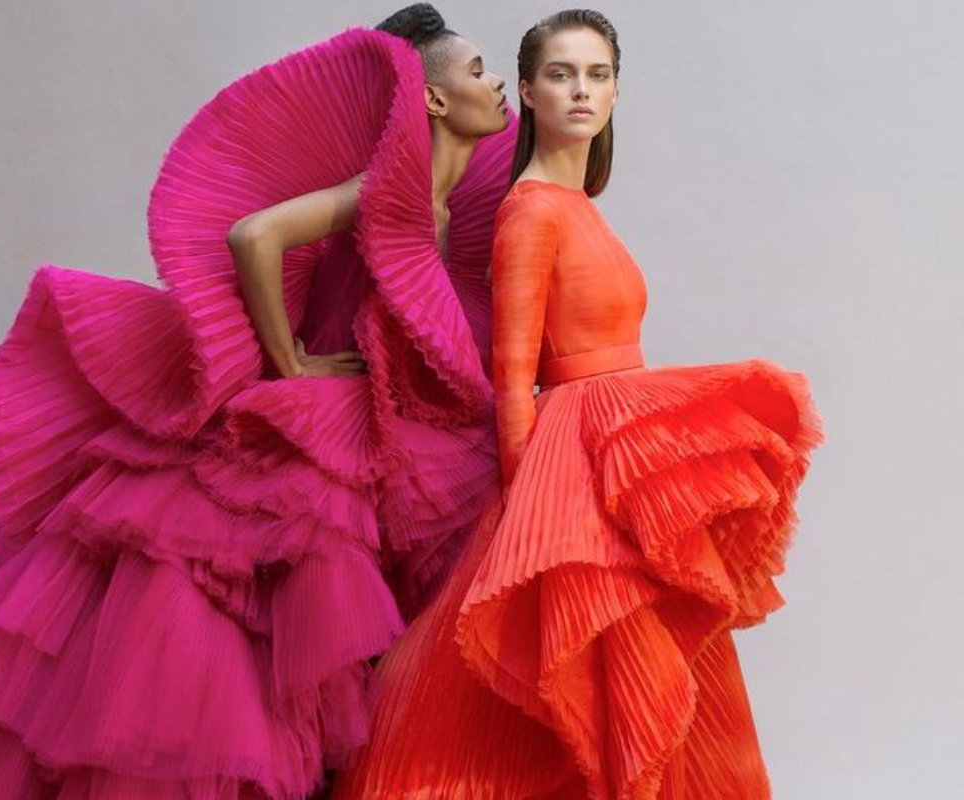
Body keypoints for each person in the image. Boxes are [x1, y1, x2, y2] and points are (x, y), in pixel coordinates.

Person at [0, 5, 522, 800]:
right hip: (314, 432)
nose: (494, 85)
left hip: (369, 432)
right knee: (260, 632)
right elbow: (254, 235)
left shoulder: (441, 210)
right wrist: (290, 360)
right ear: (429, 100)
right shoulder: (378, 188)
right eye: (476, 71)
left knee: (340, 625)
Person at [331, 10, 826, 800]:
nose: (579, 91)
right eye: (559, 74)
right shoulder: (530, 211)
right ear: (525, 92)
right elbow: (512, 372)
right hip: (571, 464)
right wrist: (533, 508)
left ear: (617, 92)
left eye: (596, 75)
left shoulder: (577, 205)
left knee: (640, 668)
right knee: (584, 677)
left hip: (615, 456)